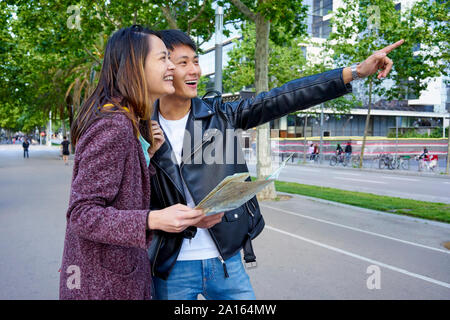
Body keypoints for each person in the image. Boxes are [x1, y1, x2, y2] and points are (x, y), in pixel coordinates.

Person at [149, 29, 403, 300]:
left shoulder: (221, 114)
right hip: (170, 267)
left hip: (227, 262)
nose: (195, 71)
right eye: (183, 62)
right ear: (162, 67)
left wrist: (355, 72)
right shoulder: (138, 126)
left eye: (196, 61)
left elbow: (283, 97)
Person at [59, 25, 206, 300]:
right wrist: (154, 219)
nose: (171, 68)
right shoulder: (114, 125)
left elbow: (120, 192)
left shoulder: (127, 121)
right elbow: (82, 214)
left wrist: (145, 156)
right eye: (163, 59)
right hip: (105, 286)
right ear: (134, 66)